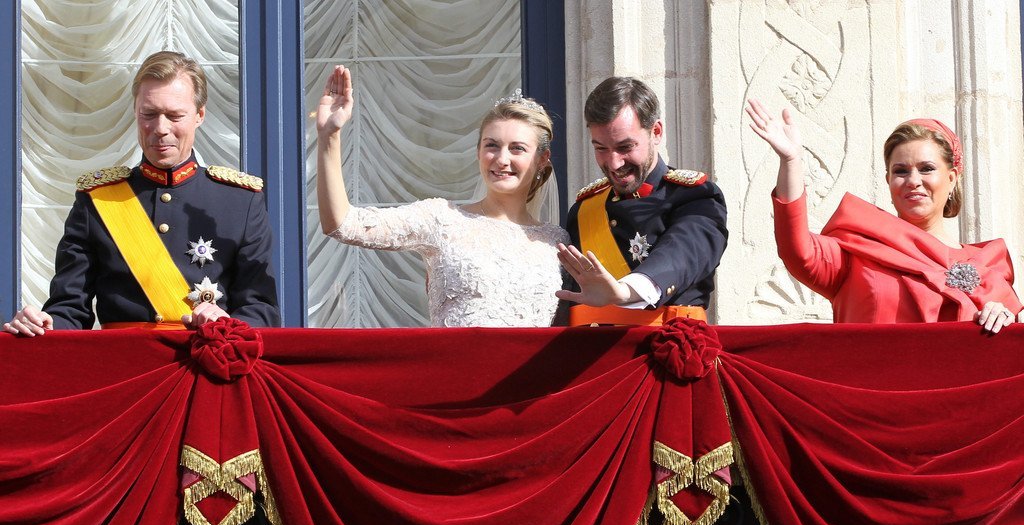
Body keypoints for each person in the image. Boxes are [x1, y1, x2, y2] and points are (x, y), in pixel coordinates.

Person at [3, 51, 280, 336]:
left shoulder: (240, 201)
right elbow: (70, 308)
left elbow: (262, 309)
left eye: (175, 116)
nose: (160, 129)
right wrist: (44, 325)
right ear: (136, 112)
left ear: (199, 115)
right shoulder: (98, 200)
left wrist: (227, 323)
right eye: (149, 114)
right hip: (123, 359)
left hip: (204, 358)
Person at [316, 65, 567, 327]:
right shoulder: (442, 220)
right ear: (478, 152)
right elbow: (343, 224)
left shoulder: (557, 240)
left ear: (542, 159)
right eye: (492, 145)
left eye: (517, 149)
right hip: (456, 354)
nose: (502, 159)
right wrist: (329, 136)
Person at [745, 98, 1021, 333]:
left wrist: (1000, 323)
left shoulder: (988, 266)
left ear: (951, 178)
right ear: (888, 180)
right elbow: (798, 250)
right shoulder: (857, 250)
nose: (913, 181)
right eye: (901, 171)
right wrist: (791, 162)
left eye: (926, 168)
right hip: (869, 381)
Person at [556, 76, 729, 326]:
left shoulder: (696, 197)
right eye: (601, 148)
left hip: (666, 345)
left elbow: (679, 255)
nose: (614, 163)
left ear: (656, 132)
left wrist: (624, 292)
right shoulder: (584, 210)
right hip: (592, 348)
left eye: (625, 147)